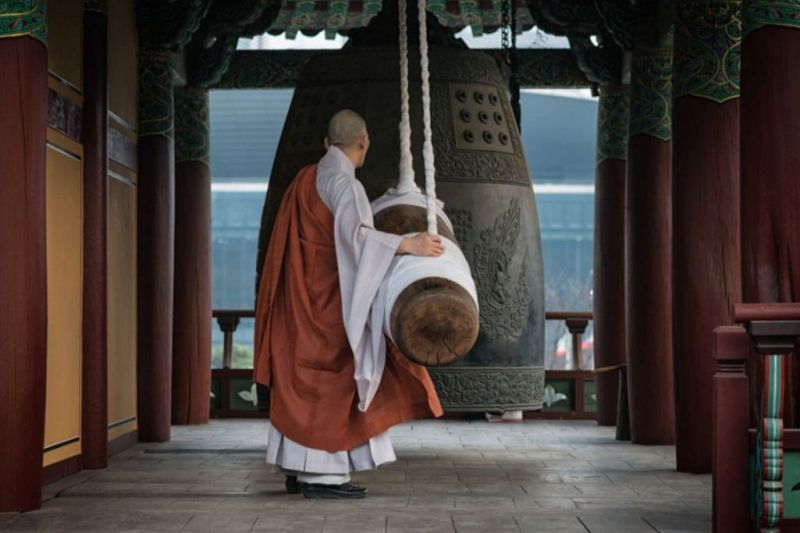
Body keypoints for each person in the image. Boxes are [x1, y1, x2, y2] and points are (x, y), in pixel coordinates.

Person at [254, 109, 444, 499]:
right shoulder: (345, 186)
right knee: (334, 382)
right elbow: (358, 239)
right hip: (328, 306)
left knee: (301, 382)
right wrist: (409, 244)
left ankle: (296, 466)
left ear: (327, 143)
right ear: (364, 142)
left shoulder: (307, 178)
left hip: (302, 302)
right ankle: (322, 477)